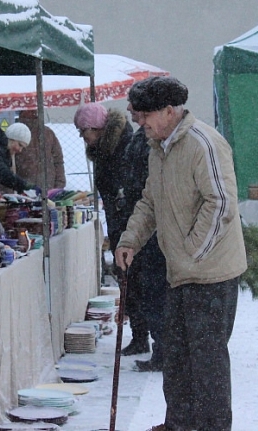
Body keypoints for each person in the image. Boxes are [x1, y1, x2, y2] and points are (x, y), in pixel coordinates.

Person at [115, 76, 247, 431]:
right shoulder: (159, 148)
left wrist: (192, 252)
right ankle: (179, 424)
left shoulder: (203, 143)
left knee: (207, 364)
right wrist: (130, 240)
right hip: (179, 272)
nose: (140, 122)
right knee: (176, 358)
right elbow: (149, 201)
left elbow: (221, 203)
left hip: (210, 273)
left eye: (146, 115)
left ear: (170, 111)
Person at [118, 103, 168, 372]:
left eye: (135, 107)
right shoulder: (142, 138)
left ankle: (163, 350)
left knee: (156, 292)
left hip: (155, 229)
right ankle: (159, 347)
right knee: (150, 291)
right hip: (145, 224)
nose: (129, 110)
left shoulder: (153, 141)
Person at [73, 102, 133, 255]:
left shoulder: (122, 149)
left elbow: (121, 187)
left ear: (96, 127)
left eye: (83, 130)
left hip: (127, 221)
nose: (81, 136)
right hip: (118, 219)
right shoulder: (103, 150)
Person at [14, 109, 66, 191]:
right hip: (24, 189)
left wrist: (59, 185)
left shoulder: (48, 133)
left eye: (34, 109)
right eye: (29, 110)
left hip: (48, 188)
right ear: (21, 112)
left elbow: (58, 160)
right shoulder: (15, 133)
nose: (33, 112)